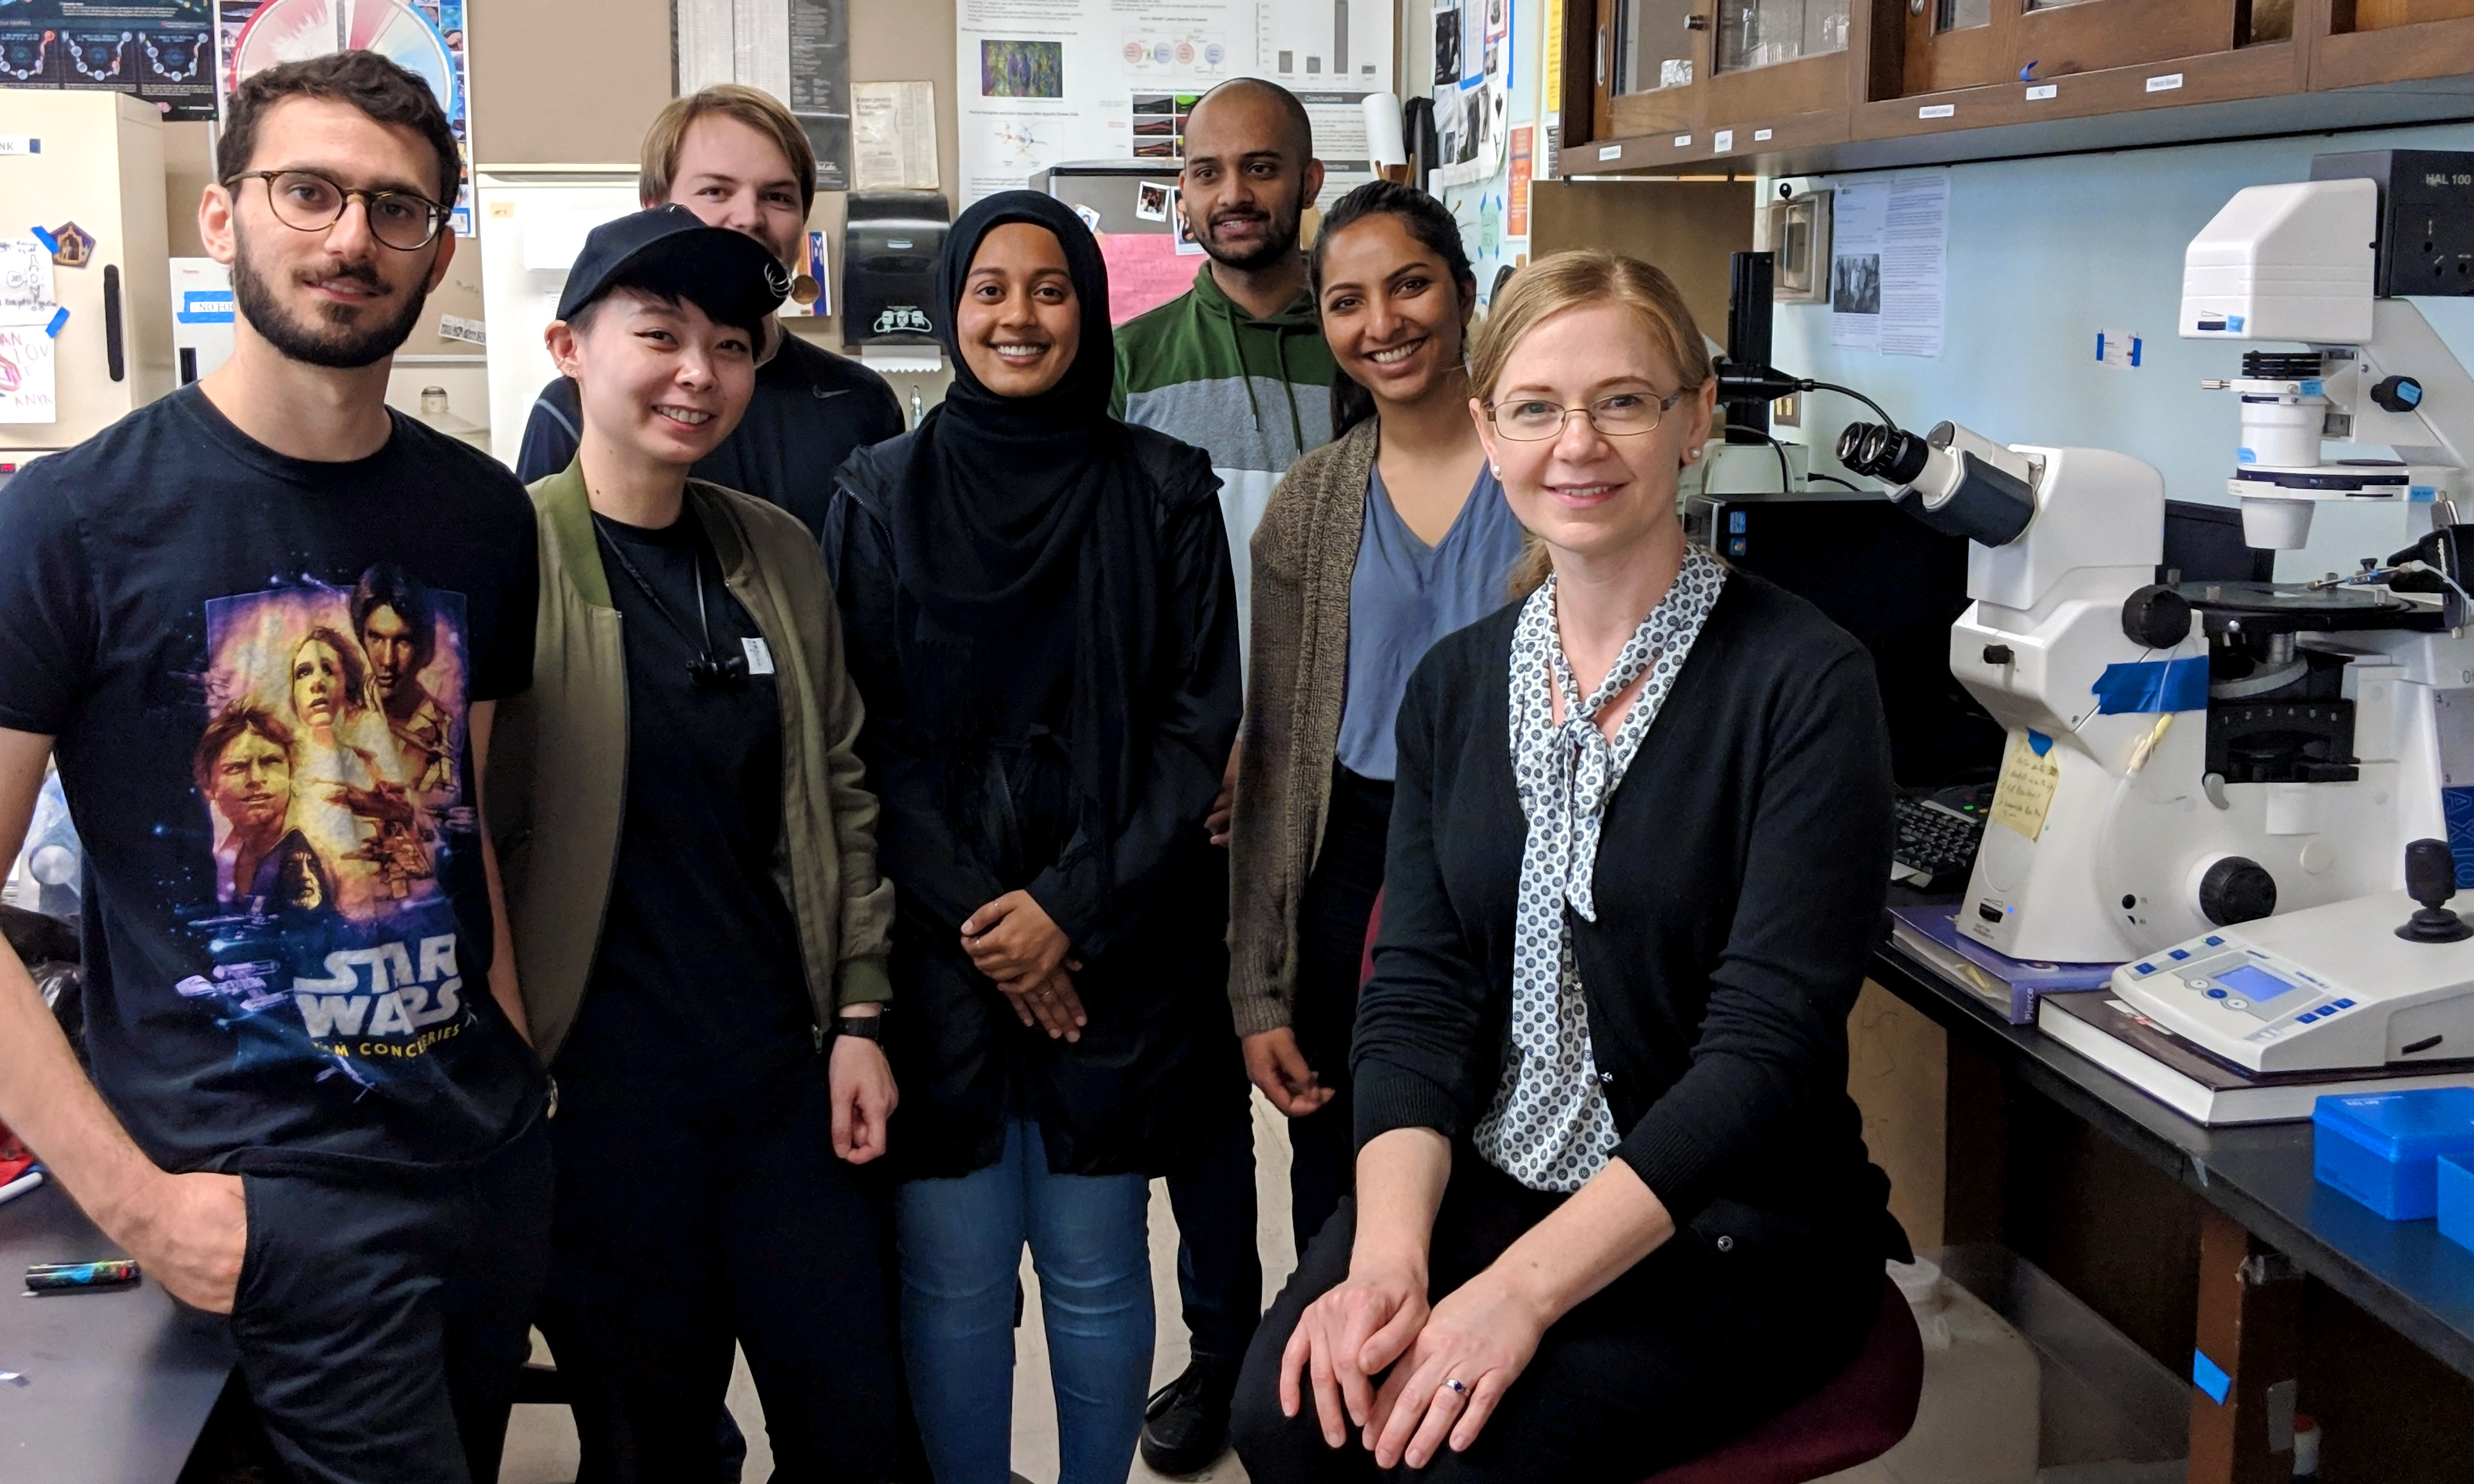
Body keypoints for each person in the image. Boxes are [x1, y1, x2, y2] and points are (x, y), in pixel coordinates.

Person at [1229, 250, 1908, 1483]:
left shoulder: (1806, 684)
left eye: (1625, 401)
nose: (1577, 444)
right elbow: (1421, 998)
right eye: (1537, 408)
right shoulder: (1459, 686)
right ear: (1488, 429)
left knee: (1452, 1459)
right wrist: (1390, 1260)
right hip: (1494, 1174)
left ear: (1695, 419)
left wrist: (1519, 1298)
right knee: (1288, 1419)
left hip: (1724, 1218)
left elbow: (1766, 1054)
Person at [0, 51, 550, 1484]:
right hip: (267, 1196)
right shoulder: (68, 522)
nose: (351, 238)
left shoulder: (481, 515)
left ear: (440, 242)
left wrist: (524, 1078)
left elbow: (459, 824)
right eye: (307, 191)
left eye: (396, 208)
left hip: (480, 1168)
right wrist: (134, 1206)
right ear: (223, 216)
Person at [824, 190, 1241, 1484]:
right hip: (944, 949)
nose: (1019, 315)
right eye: (989, 289)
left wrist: (1068, 910)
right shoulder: (878, 493)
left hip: (1114, 941)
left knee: (1097, 1263)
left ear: (1090, 307)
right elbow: (868, 737)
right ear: (951, 311)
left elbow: (1195, 725)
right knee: (951, 1275)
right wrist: (994, 927)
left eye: (1049, 288)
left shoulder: (1163, 488)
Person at [490, 206, 904, 1482]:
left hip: (777, 1080)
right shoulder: (507, 554)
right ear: (569, 346)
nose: (697, 373)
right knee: (651, 1445)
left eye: (730, 344)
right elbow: (461, 839)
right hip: (600, 1103)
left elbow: (837, 783)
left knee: (860, 1431)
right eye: (659, 335)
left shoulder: (769, 548)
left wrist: (859, 1014)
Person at [1229, 181, 1523, 1265]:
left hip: (1518, 854)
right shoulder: (1309, 506)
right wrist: (1258, 987)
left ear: (1462, 292)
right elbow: (1274, 765)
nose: (1384, 323)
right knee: (1345, 1174)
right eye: (1348, 301)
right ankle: (1342, 1411)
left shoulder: (1545, 471)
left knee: (1502, 1158)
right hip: (1353, 861)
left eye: (1410, 285)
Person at [1111, 72, 1337, 1474]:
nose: (1233, 196)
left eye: (1262, 169)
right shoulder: (1131, 360)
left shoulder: (1377, 337)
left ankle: (1338, 1330)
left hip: (1352, 789)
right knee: (1200, 1102)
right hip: (1195, 795)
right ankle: (1222, 1345)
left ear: (1309, 179)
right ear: (1179, 194)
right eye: (1207, 173)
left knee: (1333, 1082)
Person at [514, 83, 904, 540]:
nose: (749, 217)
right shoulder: (580, 408)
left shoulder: (857, 401)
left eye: (778, 197)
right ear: (652, 210)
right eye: (716, 190)